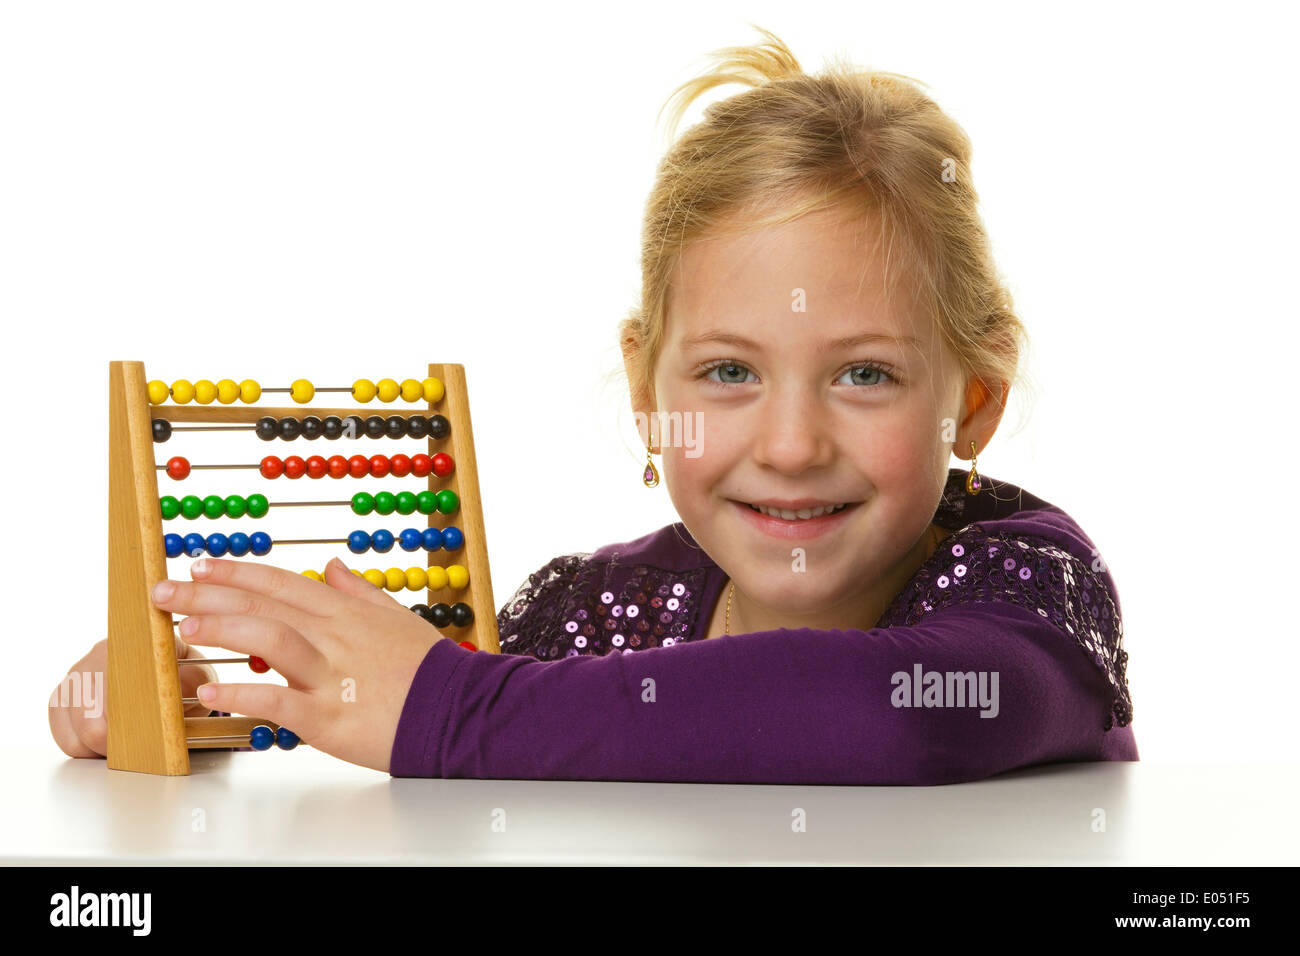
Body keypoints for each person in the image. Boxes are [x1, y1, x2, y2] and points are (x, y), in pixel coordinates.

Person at [51, 26, 1135, 784]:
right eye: (726, 373)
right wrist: (180, 691)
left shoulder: (1028, 583)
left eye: (864, 375)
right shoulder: (583, 614)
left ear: (976, 403)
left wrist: (448, 708)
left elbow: (893, 720)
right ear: (642, 390)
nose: (792, 444)